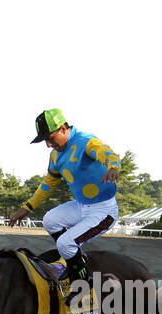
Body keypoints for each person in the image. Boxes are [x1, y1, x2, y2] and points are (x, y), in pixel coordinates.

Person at [7, 109, 121, 288]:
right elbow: (47, 184)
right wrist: (25, 209)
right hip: (82, 205)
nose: (48, 145)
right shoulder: (55, 156)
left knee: (65, 243)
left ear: (62, 128)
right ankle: (76, 260)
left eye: (50, 138)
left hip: (104, 210)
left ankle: (83, 283)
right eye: (45, 140)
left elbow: (106, 153)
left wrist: (113, 167)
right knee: (50, 220)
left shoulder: (86, 141)